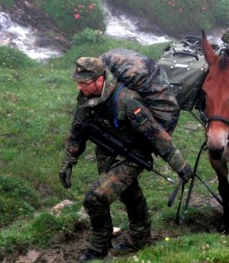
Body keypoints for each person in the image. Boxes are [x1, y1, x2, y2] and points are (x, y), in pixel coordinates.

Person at [59, 56, 194, 262]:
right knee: (130, 194)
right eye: (78, 82)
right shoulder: (85, 99)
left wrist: (181, 166)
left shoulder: (127, 100)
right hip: (110, 155)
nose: (80, 88)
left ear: (100, 79)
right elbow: (77, 130)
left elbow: (155, 134)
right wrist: (68, 161)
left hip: (133, 156)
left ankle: (99, 247)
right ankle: (140, 237)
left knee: (95, 198)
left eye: (84, 83)